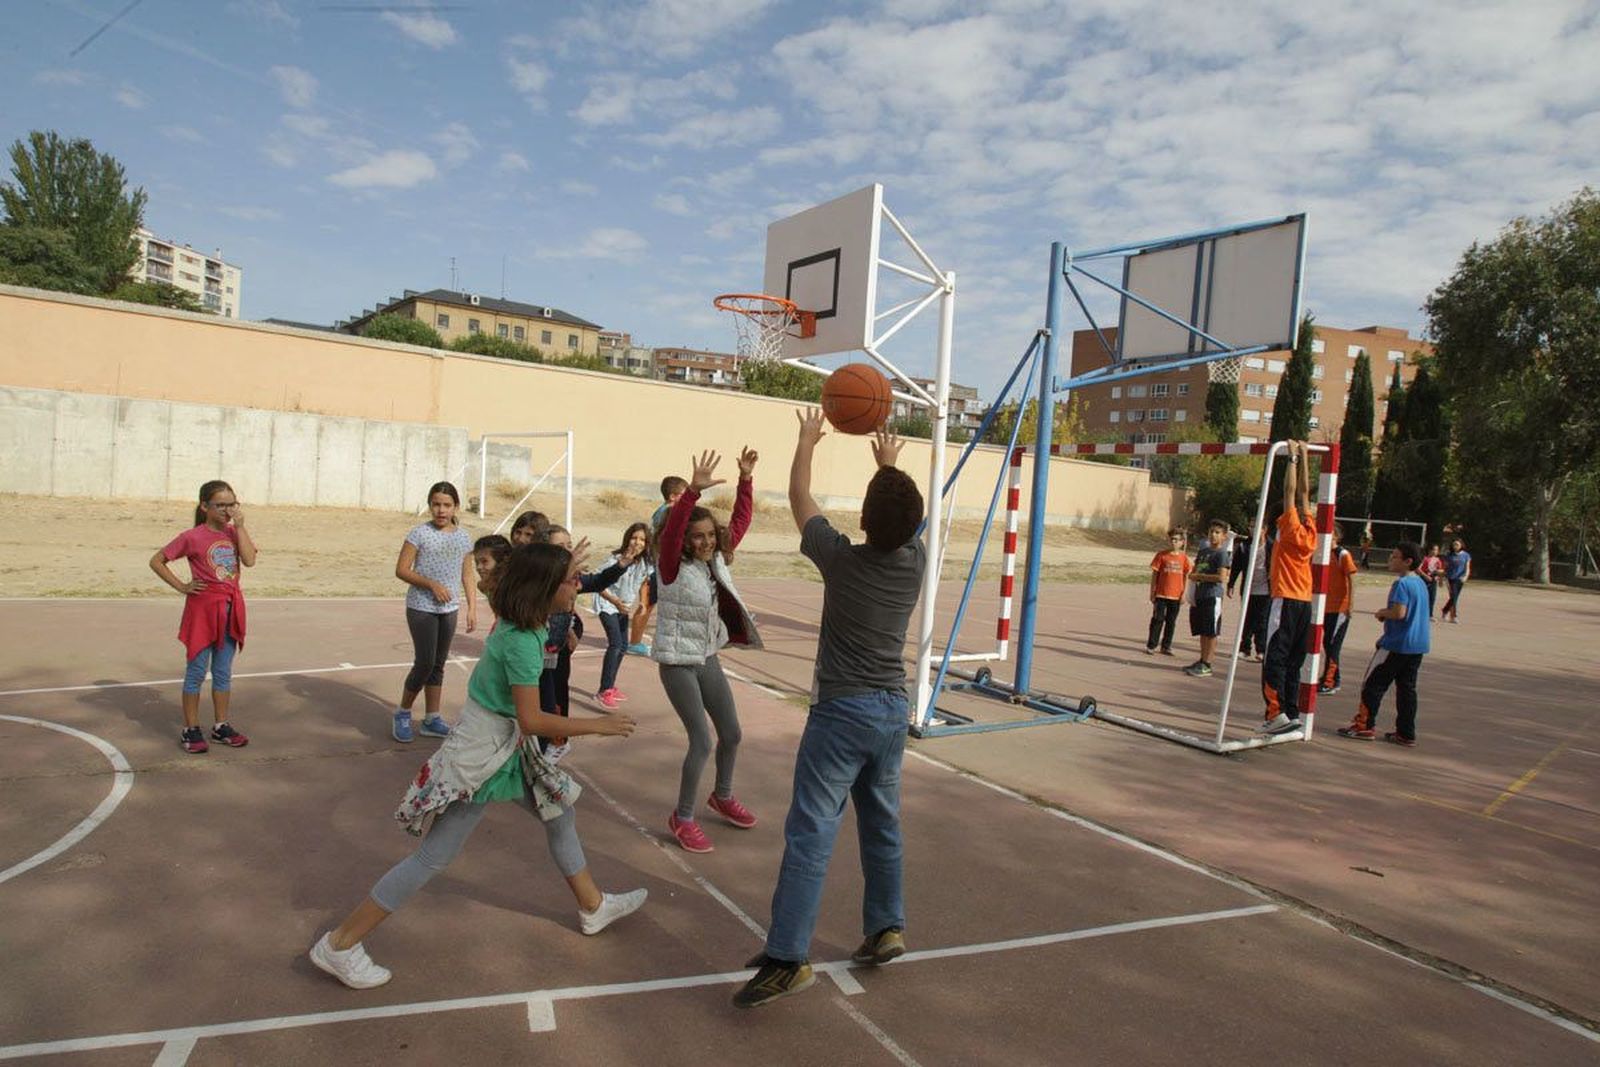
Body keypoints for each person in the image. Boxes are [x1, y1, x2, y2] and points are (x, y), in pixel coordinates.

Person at [308, 542, 646, 990]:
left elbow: (514, 583)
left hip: (506, 748)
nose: (578, 587)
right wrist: (598, 726)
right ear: (544, 588)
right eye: (570, 581)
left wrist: (561, 564)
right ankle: (340, 944)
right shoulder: (524, 643)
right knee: (433, 856)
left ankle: (593, 905)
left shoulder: (518, 619)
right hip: (486, 755)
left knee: (560, 811)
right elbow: (532, 719)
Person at [735, 411, 926, 1009]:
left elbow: (798, 495)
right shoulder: (915, 562)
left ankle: (790, 958)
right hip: (894, 712)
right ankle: (886, 927)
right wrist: (889, 465)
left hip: (842, 715)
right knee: (882, 823)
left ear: (863, 521)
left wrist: (805, 440)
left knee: (811, 833)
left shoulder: (840, 560)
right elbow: (899, 518)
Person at [655, 448, 762, 854]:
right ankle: (682, 817)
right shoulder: (671, 566)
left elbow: (739, 522)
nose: (703, 541)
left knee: (732, 733)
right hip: (677, 663)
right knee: (701, 740)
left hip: (706, 659)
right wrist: (691, 494)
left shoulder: (715, 558)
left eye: (708, 536)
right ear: (682, 539)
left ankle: (722, 794)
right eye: (695, 536)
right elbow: (673, 529)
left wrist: (746, 480)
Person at [149, 480, 259, 754]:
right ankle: (191, 728)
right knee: (197, 671)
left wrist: (241, 527)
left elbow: (249, 560)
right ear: (204, 506)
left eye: (231, 504)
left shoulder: (235, 533)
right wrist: (182, 586)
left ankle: (220, 726)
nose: (227, 510)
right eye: (220, 505)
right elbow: (157, 560)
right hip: (202, 611)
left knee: (223, 672)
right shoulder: (192, 536)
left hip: (231, 609)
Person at [532, 524, 624, 762]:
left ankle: (557, 742)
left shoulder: (572, 578)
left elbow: (597, 581)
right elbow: (541, 593)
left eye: (569, 546)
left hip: (557, 649)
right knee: (543, 700)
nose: (567, 552)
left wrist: (621, 565)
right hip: (536, 651)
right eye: (560, 547)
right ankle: (542, 745)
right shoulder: (537, 578)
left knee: (558, 692)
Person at [393, 482, 476, 743]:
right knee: (425, 662)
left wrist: (472, 607)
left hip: (449, 609)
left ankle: (432, 718)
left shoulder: (463, 538)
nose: (441, 510)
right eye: (436, 504)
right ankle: (403, 712)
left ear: (455, 507)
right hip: (422, 607)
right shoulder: (419, 534)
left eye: (447, 505)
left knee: (438, 665)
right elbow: (402, 569)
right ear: (430, 505)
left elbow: (467, 575)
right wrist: (431, 584)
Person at [1336, 541, 1431, 746]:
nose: (1390, 559)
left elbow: (1399, 613)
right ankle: (1406, 732)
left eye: (1395, 556)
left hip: (1396, 644)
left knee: (1372, 684)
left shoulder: (1402, 584)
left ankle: (1364, 725)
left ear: (1408, 561)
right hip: (1417, 646)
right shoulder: (1421, 583)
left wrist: (1382, 613)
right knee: (1407, 690)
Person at [1260, 442, 1317, 735]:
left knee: (1274, 658)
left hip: (1285, 599)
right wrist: (1304, 455)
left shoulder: (1290, 527)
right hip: (1304, 603)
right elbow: (1306, 493)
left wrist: (1292, 458)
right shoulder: (1310, 531)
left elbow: (1291, 493)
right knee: (1294, 662)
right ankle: (1291, 712)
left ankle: (1275, 713)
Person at [594, 522, 652, 708]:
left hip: (623, 607)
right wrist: (616, 602)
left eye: (642, 539)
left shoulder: (645, 562)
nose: (637, 542)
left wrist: (643, 602)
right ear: (627, 539)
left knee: (624, 645)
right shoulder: (615, 560)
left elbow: (644, 581)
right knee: (616, 644)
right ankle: (604, 691)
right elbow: (597, 583)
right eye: (634, 538)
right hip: (608, 605)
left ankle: (610, 686)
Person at [632, 477, 689, 655]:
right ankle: (634, 643)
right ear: (673, 496)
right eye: (684, 495)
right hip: (654, 567)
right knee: (646, 604)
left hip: (657, 565)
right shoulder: (669, 512)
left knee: (652, 605)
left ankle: (637, 642)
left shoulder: (663, 511)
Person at [1183, 521, 1231, 677]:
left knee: (1211, 631)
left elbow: (1221, 577)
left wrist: (1201, 576)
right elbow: (1194, 570)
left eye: (1217, 532)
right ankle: (1202, 660)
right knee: (1202, 630)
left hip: (1212, 596)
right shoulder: (1203, 551)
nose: (1213, 535)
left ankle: (1208, 663)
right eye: (1211, 532)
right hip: (1200, 595)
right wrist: (1194, 576)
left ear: (1224, 536)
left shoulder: (1222, 554)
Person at [1318, 524, 1361, 694]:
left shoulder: (1342, 554)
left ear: (1335, 536)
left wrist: (1350, 604)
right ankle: (1331, 678)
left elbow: (1352, 579)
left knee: (1333, 645)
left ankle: (1330, 682)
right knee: (1327, 644)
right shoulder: (1322, 554)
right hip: (1325, 608)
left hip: (1339, 608)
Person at [1228, 520, 1272, 661]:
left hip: (1265, 590)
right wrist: (1231, 584)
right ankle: (1244, 649)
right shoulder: (1243, 546)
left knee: (1262, 621)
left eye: (1256, 527)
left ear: (1264, 529)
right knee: (1246, 620)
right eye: (1251, 527)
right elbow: (1236, 567)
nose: (1252, 529)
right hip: (1248, 589)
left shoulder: (1271, 546)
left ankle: (1261, 650)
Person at [1145, 529, 1190, 656]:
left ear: (1182, 542)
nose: (1174, 542)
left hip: (1176, 595)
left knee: (1171, 621)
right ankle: (1151, 645)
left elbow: (1186, 576)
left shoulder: (1184, 558)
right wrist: (1152, 592)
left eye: (1177, 540)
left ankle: (1166, 646)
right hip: (1161, 594)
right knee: (1157, 619)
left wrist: (1184, 594)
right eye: (1172, 539)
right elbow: (1155, 575)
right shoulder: (1161, 555)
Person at [1441, 537, 1471, 623]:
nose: (1455, 546)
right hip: (1450, 578)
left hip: (1460, 579)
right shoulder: (1449, 555)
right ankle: (1454, 616)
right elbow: (1445, 568)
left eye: (1457, 544)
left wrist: (1465, 576)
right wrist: (1441, 577)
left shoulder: (1466, 555)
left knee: (1455, 597)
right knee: (1453, 597)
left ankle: (1445, 610)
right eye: (1454, 544)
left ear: (1461, 545)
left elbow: (1467, 568)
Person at [1418, 543, 1446, 618]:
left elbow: (1440, 571)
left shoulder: (1438, 560)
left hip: (1433, 580)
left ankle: (1430, 614)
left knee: (1432, 598)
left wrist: (1440, 580)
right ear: (1429, 550)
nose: (1434, 551)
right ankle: (1420, 613)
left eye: (1436, 550)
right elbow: (1418, 569)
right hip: (1424, 579)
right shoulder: (1424, 559)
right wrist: (1425, 576)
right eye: (1433, 549)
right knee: (1423, 597)